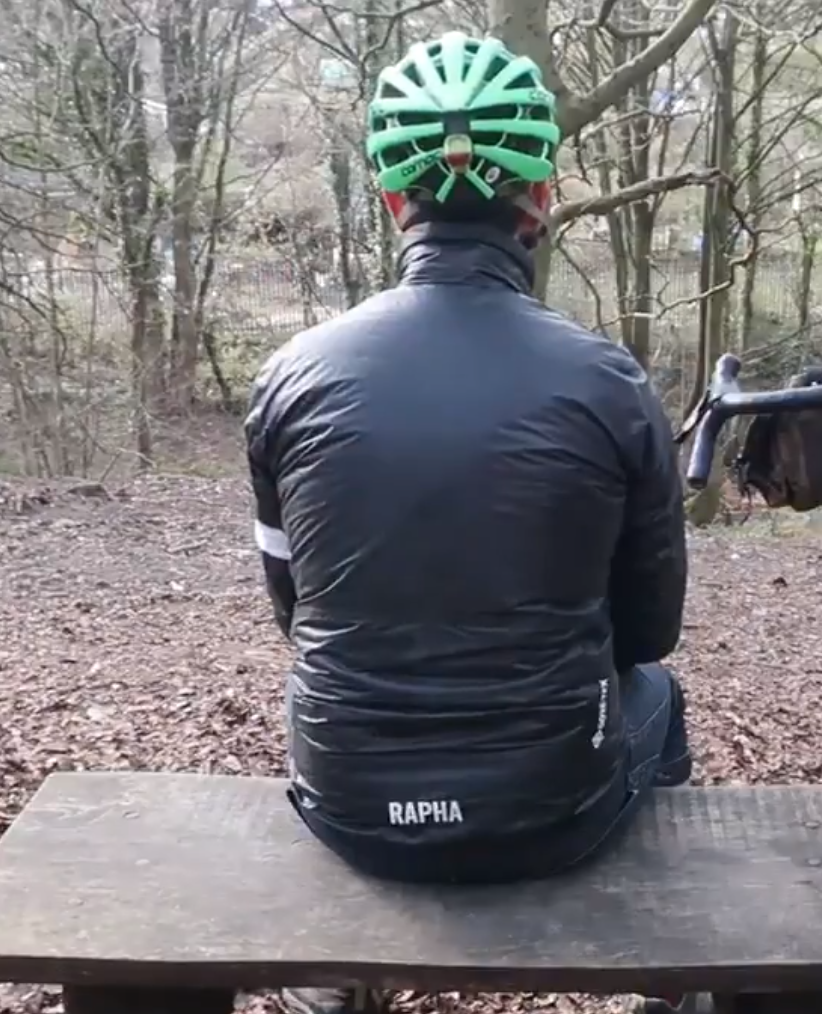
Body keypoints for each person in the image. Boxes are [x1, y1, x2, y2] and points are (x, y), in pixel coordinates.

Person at [242, 30, 693, 1014]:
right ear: (542, 195)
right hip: (550, 809)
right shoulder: (607, 383)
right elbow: (648, 633)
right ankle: (675, 981)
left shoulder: (292, 378)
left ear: (393, 198)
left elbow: (296, 611)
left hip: (349, 800)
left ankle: (335, 990)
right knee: (660, 700)